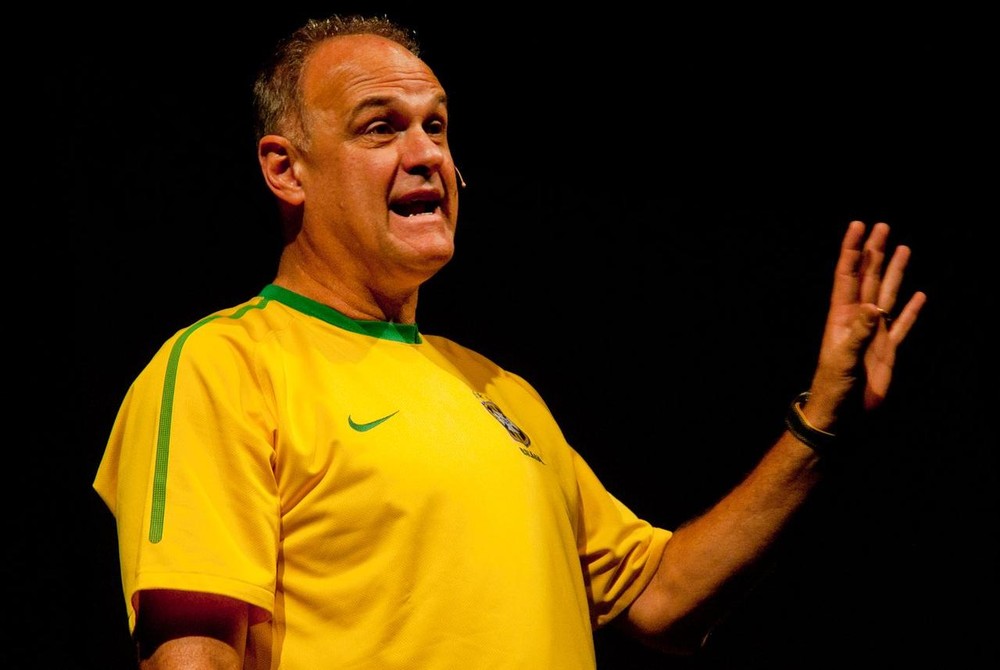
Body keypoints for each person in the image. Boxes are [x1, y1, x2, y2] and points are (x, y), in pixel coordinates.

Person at [93, 13, 927, 670]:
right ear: (287, 170)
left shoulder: (501, 393)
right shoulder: (223, 366)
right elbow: (194, 653)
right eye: (381, 128)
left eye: (437, 126)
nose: (427, 155)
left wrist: (821, 423)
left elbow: (664, 599)